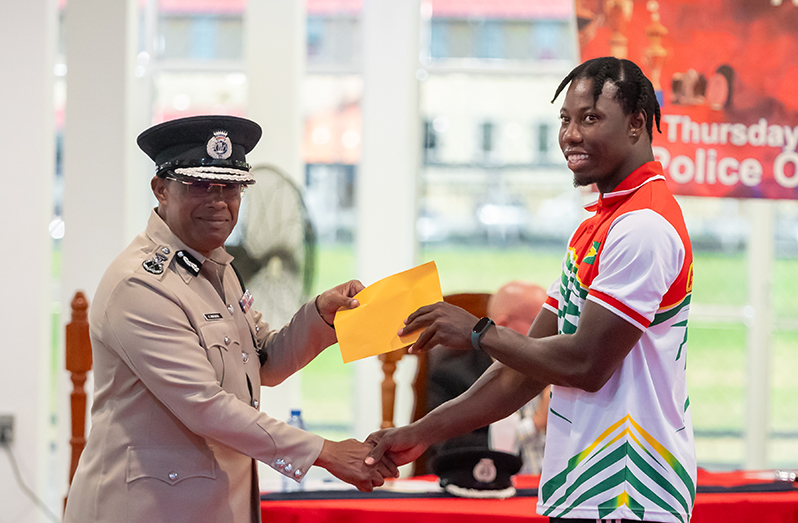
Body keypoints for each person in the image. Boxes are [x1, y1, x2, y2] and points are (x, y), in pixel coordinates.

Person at [366, 57, 695, 523]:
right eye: (565, 119)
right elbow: (521, 370)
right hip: (588, 489)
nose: (571, 135)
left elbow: (585, 364)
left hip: (629, 492)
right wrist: (420, 431)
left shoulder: (644, 226)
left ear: (637, 124)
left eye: (590, 118)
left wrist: (480, 332)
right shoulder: (598, 226)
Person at [63, 115, 395, 523]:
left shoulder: (217, 269)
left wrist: (321, 317)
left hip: (212, 503)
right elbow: (205, 406)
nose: (218, 201)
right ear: (161, 190)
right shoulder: (142, 285)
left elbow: (263, 364)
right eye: (200, 185)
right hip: (147, 509)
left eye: (231, 187)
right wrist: (323, 452)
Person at [424, 281, 548, 470]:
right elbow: (451, 449)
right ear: (503, 325)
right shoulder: (455, 373)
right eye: (537, 322)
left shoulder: (554, 367)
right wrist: (534, 424)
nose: (550, 332)